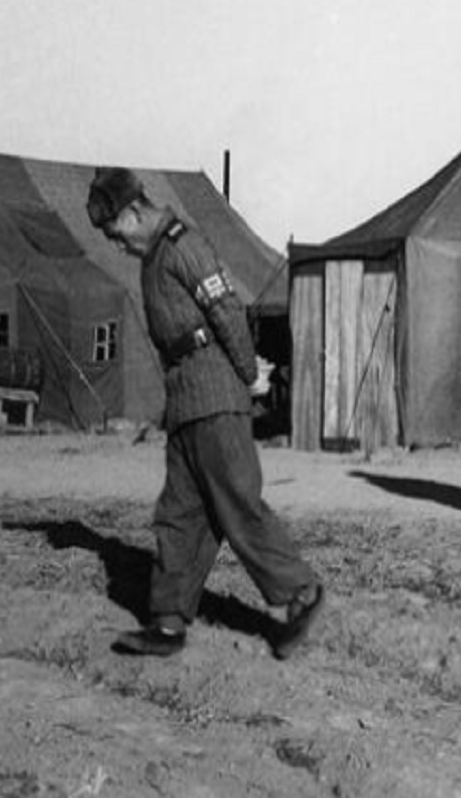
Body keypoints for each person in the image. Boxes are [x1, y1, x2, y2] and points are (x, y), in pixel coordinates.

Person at [86, 167, 323, 659]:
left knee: (237, 503)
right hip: (187, 404)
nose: (116, 245)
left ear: (133, 212)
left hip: (216, 396)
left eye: (115, 234)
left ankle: (302, 593)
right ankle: (168, 623)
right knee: (178, 515)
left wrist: (244, 374)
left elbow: (228, 312)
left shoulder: (182, 245)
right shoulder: (153, 257)